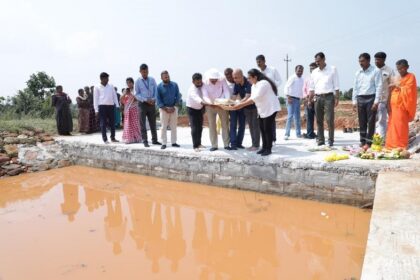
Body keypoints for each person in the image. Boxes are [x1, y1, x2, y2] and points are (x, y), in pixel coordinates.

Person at [224, 69, 281, 156]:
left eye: (250, 78)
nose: (248, 80)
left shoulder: (263, 83)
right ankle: (264, 147)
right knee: (262, 128)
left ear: (255, 77)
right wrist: (234, 104)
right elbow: (251, 98)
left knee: (267, 129)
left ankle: (268, 149)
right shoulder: (254, 85)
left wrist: (239, 105)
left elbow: (253, 99)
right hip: (262, 109)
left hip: (271, 108)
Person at [309, 52, 340, 146]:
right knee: (319, 120)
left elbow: (336, 85)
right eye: (316, 61)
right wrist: (310, 99)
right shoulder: (314, 72)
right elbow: (311, 87)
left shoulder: (332, 69)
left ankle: (330, 140)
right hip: (317, 97)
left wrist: (337, 97)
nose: (317, 63)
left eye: (318, 61)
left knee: (329, 119)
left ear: (324, 59)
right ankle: (321, 139)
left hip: (329, 97)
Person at [352, 53, 383, 147]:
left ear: (368, 61)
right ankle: (362, 141)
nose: (360, 63)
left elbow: (379, 86)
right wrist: (354, 101)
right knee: (362, 121)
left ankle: (369, 142)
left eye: (362, 61)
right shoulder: (358, 72)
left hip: (371, 98)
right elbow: (355, 87)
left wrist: (376, 101)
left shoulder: (376, 71)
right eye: (359, 61)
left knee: (371, 121)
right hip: (360, 98)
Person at [386, 59, 417, 149]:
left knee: (400, 125)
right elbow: (391, 91)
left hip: (402, 106)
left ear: (407, 67)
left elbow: (409, 90)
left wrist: (396, 86)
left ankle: (400, 145)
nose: (400, 71)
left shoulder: (411, 76)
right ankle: (391, 145)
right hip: (394, 105)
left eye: (402, 69)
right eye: (398, 69)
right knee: (392, 125)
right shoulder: (397, 77)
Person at [202, 68, 231, 151]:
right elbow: (205, 95)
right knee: (212, 125)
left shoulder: (222, 80)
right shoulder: (205, 83)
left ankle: (226, 144)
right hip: (210, 105)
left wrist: (225, 101)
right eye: (212, 80)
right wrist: (211, 103)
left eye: (215, 79)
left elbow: (226, 92)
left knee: (225, 124)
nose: (214, 81)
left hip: (222, 104)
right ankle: (214, 145)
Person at [256, 54, 282, 144]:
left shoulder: (272, 70)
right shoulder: (257, 73)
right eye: (257, 62)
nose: (258, 63)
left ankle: (273, 139)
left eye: (260, 61)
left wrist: (272, 87)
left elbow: (280, 80)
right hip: (262, 100)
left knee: (271, 120)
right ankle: (266, 141)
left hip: (272, 98)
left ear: (264, 61)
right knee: (263, 120)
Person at [135, 64, 161, 147]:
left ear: (148, 71)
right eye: (143, 72)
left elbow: (156, 91)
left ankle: (155, 140)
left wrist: (153, 99)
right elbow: (136, 94)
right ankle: (145, 140)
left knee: (153, 122)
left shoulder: (152, 79)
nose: (145, 73)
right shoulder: (137, 81)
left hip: (152, 103)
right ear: (140, 72)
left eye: (146, 71)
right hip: (142, 104)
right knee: (142, 123)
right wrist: (146, 100)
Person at [157, 70, 181, 149]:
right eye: (165, 77)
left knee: (173, 126)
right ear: (161, 78)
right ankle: (164, 143)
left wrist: (174, 107)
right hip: (164, 109)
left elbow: (178, 96)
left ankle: (173, 142)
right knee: (163, 127)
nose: (167, 78)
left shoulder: (175, 85)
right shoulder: (159, 87)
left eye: (167, 76)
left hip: (174, 108)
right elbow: (158, 99)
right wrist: (165, 108)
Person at [93, 72, 120, 144]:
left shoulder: (111, 86)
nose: (108, 80)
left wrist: (117, 105)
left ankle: (113, 137)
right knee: (103, 123)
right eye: (106, 78)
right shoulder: (97, 87)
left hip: (111, 106)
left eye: (108, 78)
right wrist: (96, 110)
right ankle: (105, 139)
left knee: (112, 123)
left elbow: (114, 96)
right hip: (102, 107)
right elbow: (95, 99)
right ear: (102, 79)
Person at [374, 52, 395, 139]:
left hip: (383, 100)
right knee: (371, 121)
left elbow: (392, 86)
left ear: (384, 60)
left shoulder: (389, 71)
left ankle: (381, 140)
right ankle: (372, 140)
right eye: (375, 59)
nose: (376, 61)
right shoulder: (372, 70)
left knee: (381, 121)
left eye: (378, 59)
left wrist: (389, 101)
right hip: (371, 100)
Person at [186, 73, 207, 152]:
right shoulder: (192, 90)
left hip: (200, 109)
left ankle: (199, 143)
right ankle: (195, 146)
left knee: (200, 127)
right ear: (193, 82)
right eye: (197, 83)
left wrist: (203, 106)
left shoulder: (203, 85)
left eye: (200, 82)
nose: (199, 84)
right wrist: (204, 103)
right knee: (194, 127)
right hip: (192, 109)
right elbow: (196, 98)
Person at [230, 69, 250, 150]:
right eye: (233, 78)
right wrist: (230, 103)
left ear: (241, 76)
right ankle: (233, 144)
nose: (234, 80)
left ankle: (239, 143)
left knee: (242, 126)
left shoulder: (248, 83)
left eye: (236, 78)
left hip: (243, 106)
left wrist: (239, 104)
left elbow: (247, 96)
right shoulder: (236, 83)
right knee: (233, 125)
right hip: (236, 106)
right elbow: (234, 95)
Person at [284, 65, 304, 140]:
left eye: (301, 71)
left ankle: (298, 134)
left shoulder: (302, 79)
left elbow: (301, 90)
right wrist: (288, 97)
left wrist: (302, 98)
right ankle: (287, 134)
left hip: (298, 100)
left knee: (297, 117)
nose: (300, 72)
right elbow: (286, 87)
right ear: (295, 70)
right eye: (299, 70)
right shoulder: (292, 77)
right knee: (290, 116)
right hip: (291, 99)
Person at [121, 78, 142, 144]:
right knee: (128, 124)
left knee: (135, 124)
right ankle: (129, 138)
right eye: (127, 83)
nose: (128, 84)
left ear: (133, 83)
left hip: (134, 108)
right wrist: (125, 94)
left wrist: (131, 93)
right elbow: (121, 99)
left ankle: (137, 138)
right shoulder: (125, 90)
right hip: (127, 109)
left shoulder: (135, 90)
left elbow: (138, 99)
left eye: (130, 82)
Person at [302, 63, 318, 139]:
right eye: (310, 68)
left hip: (317, 99)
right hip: (308, 100)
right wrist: (306, 97)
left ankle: (320, 135)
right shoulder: (307, 78)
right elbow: (304, 89)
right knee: (309, 118)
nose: (311, 70)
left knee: (319, 118)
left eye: (313, 68)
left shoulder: (319, 77)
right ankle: (310, 134)